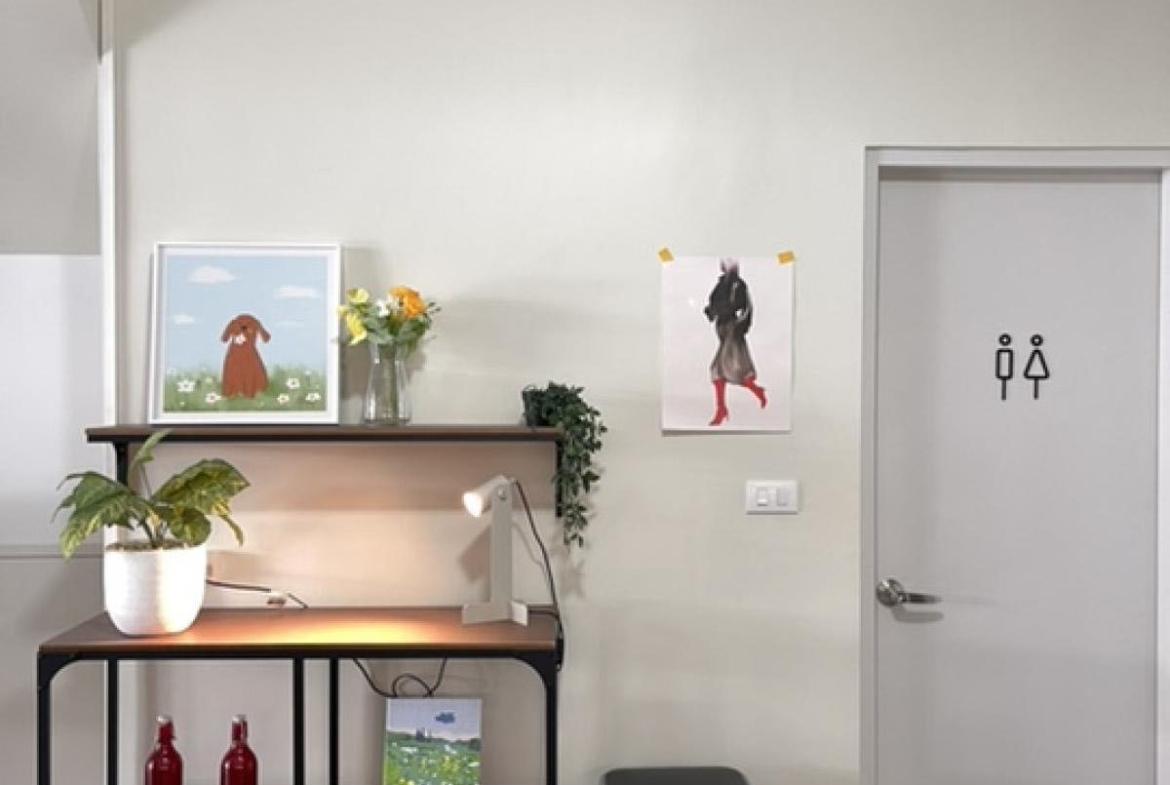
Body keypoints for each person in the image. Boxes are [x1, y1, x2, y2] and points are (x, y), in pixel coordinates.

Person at [703, 258, 766, 426]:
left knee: (723, 369)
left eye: (731, 263)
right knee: (720, 370)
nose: (728, 266)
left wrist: (739, 327)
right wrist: (711, 311)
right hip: (722, 328)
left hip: (733, 328)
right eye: (726, 263)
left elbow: (747, 308)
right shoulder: (720, 285)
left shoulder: (739, 285)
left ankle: (723, 409)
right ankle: (723, 408)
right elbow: (712, 303)